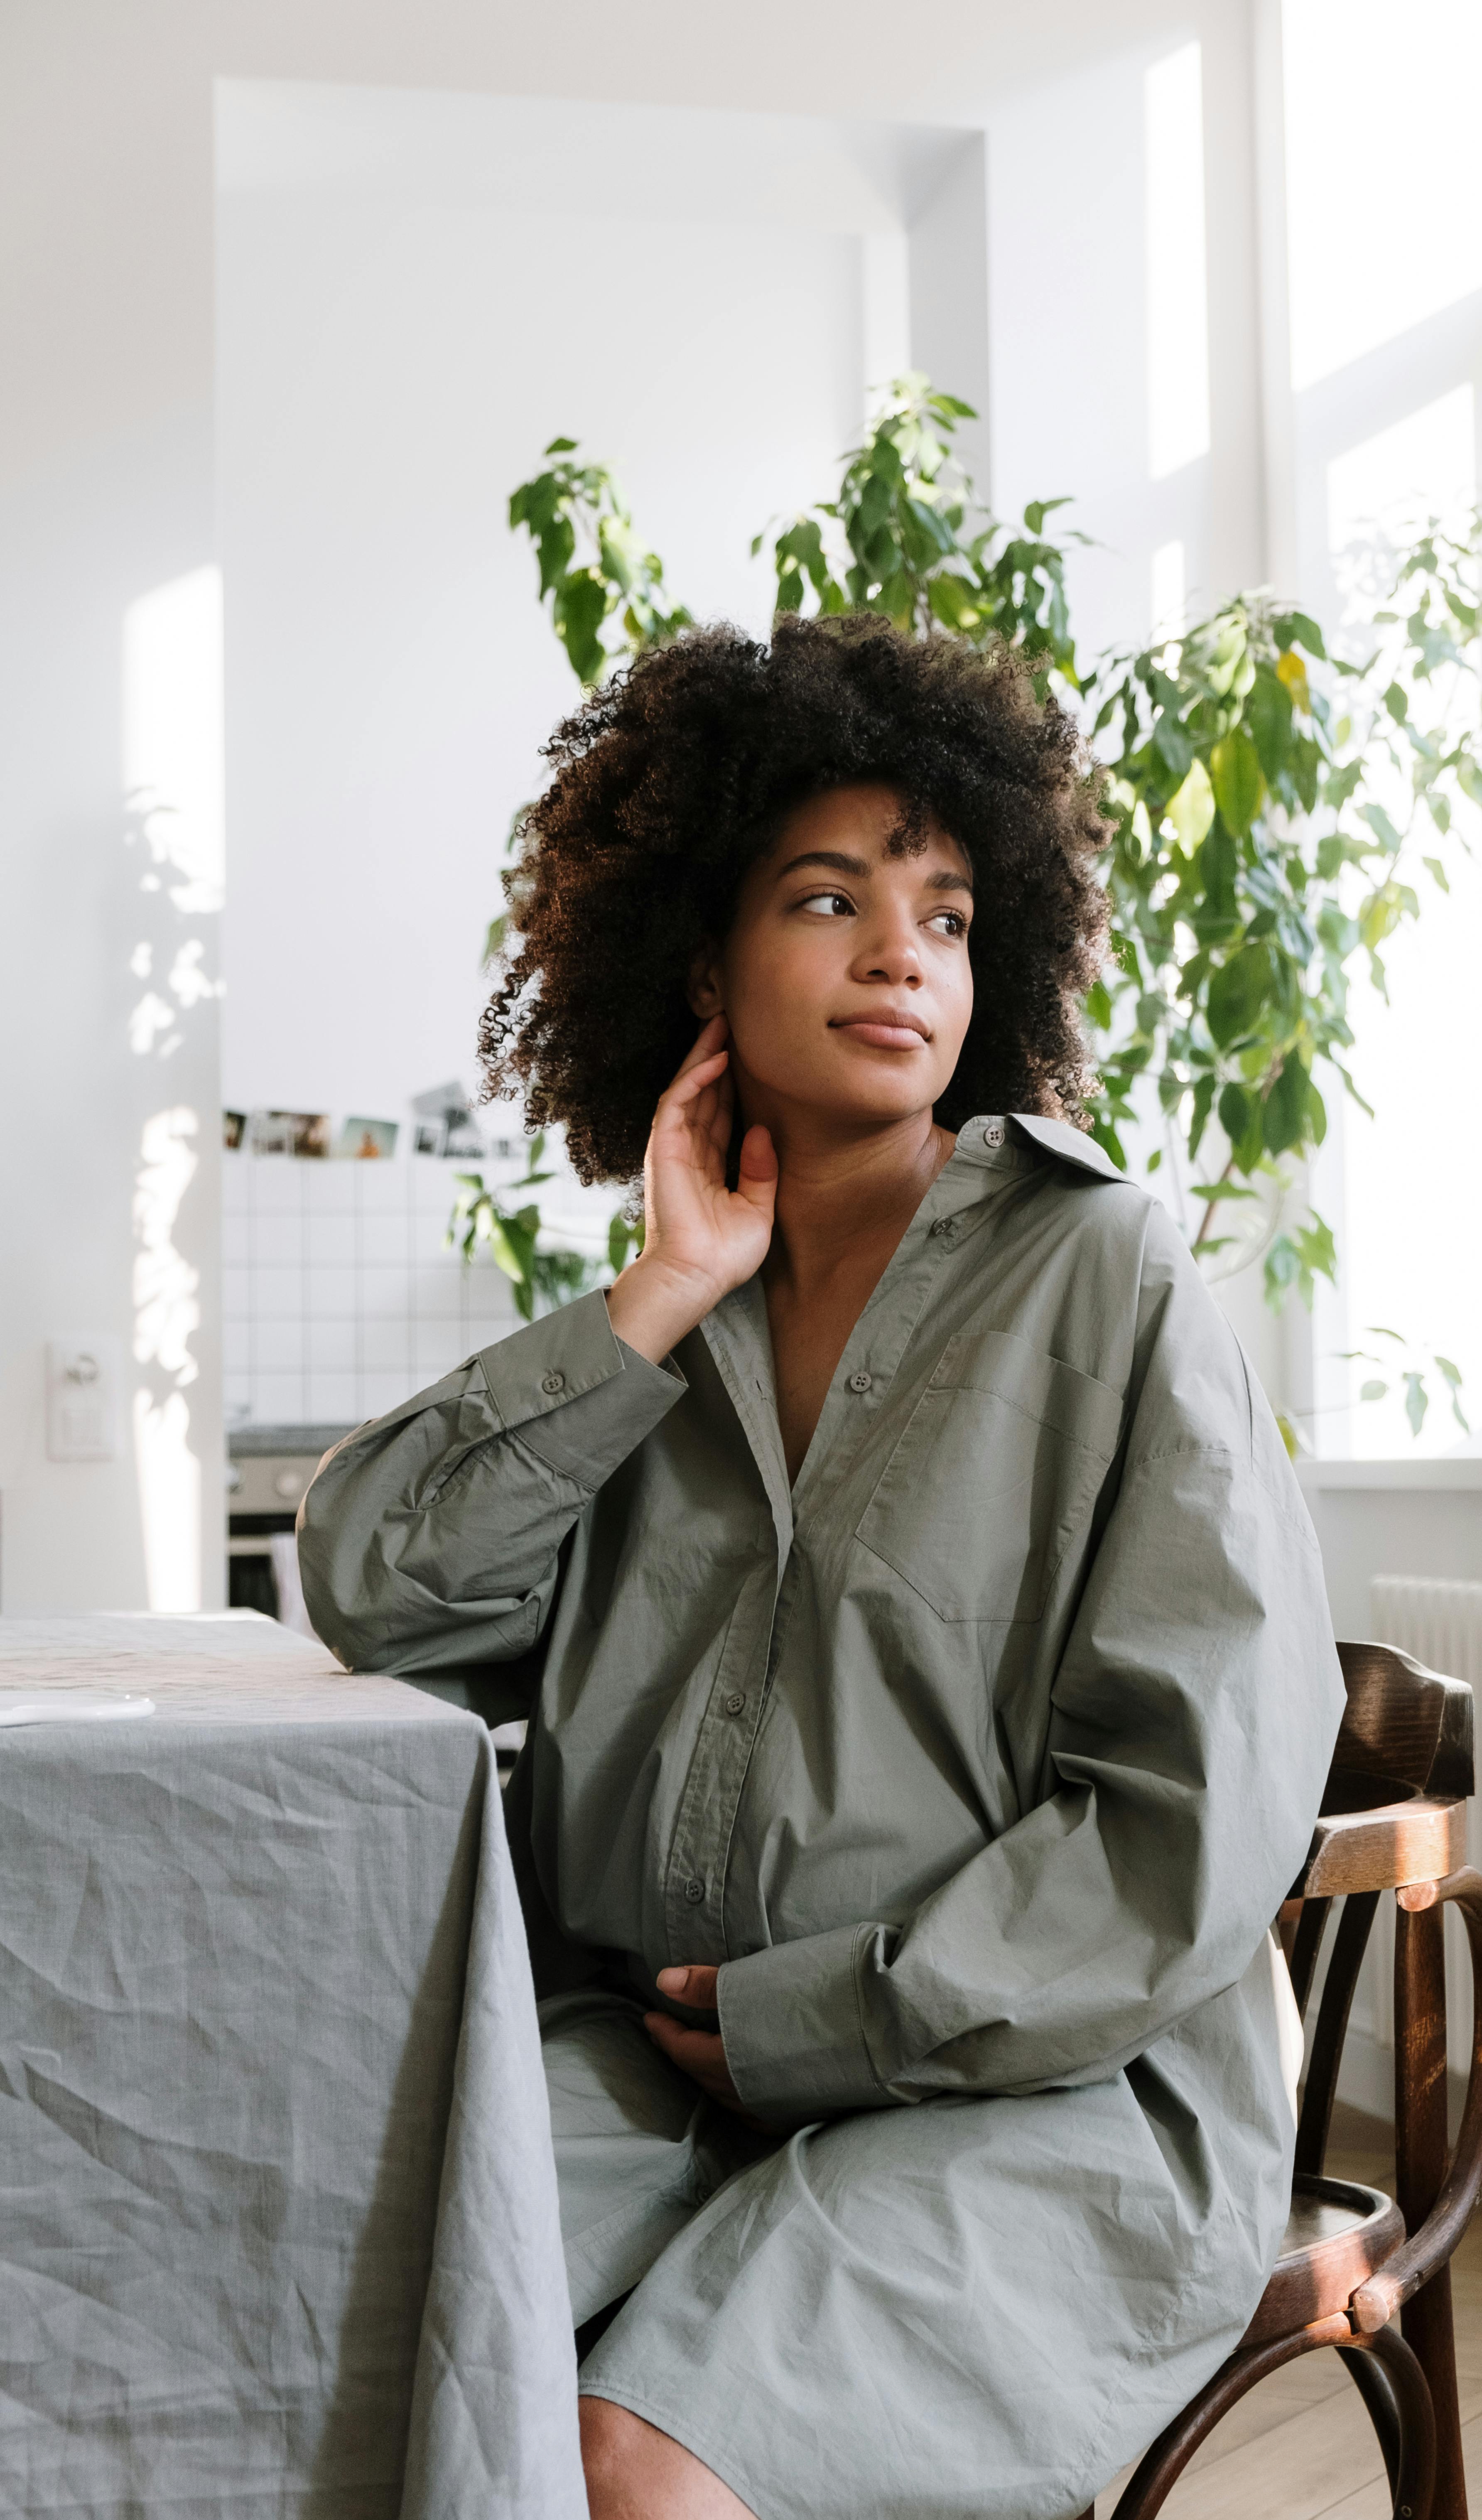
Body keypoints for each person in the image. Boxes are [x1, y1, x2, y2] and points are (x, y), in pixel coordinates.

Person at [299, 616, 1346, 2520]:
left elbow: (1183, 1827)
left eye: (946, 914)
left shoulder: (1108, 1275)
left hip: (1041, 2098)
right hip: (651, 2073)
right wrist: (658, 1293)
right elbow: (373, 1577)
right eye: (828, 897)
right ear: (699, 964)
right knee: (334, 2352)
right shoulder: (650, 1343)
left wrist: (816, 2016)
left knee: (632, 2463)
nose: (898, 953)